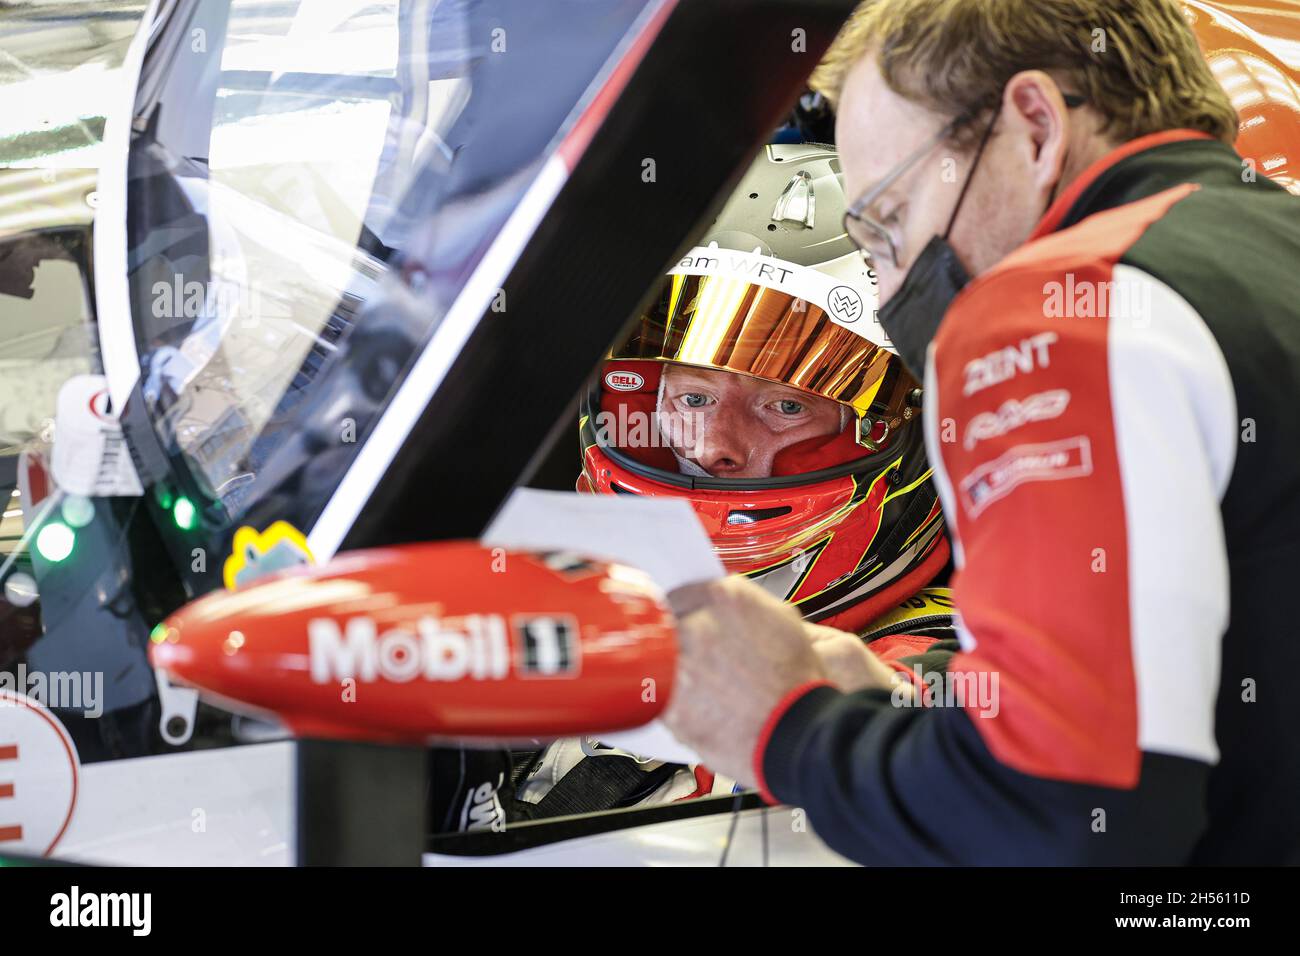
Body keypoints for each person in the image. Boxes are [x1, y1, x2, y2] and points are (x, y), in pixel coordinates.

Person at [661, 0, 1300, 864]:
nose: (888, 293)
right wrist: (909, 699)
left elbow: (1061, 817)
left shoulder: (1060, 305)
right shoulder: (1272, 247)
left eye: (886, 223)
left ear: (1034, 127)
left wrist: (787, 725)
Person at [506, 143, 959, 817]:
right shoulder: (535, 602)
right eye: (691, 398)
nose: (713, 448)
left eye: (786, 407)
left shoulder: (958, 682)